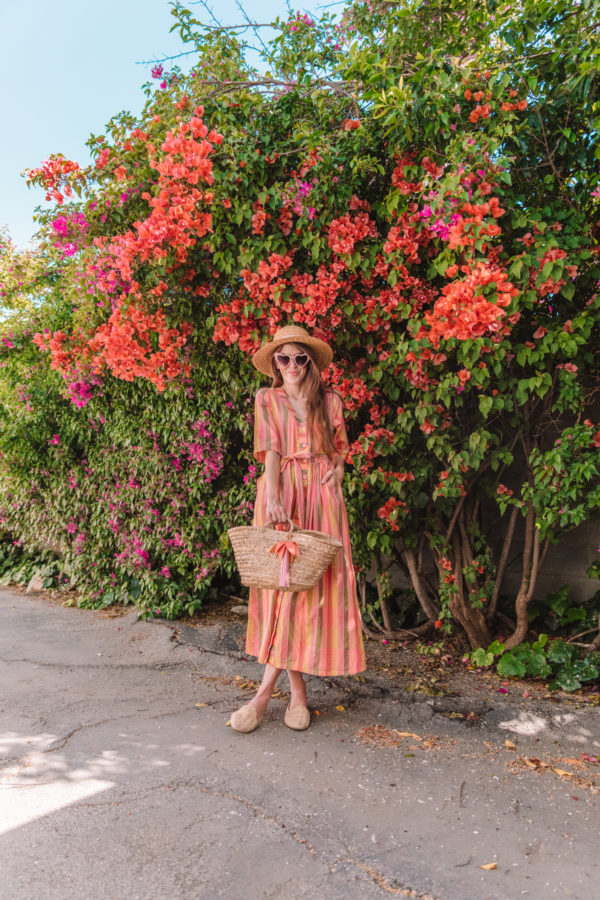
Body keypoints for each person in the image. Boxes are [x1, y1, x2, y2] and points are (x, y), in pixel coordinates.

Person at [230, 324, 366, 734]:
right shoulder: (267, 398)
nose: (291, 365)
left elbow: (341, 453)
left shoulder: (331, 401)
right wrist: (273, 499)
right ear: (275, 362)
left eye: (299, 358)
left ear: (311, 362)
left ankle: (266, 698)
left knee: (311, 592)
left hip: (322, 499)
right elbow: (271, 450)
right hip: (284, 492)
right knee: (281, 591)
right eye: (284, 358)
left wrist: (337, 475)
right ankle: (289, 695)